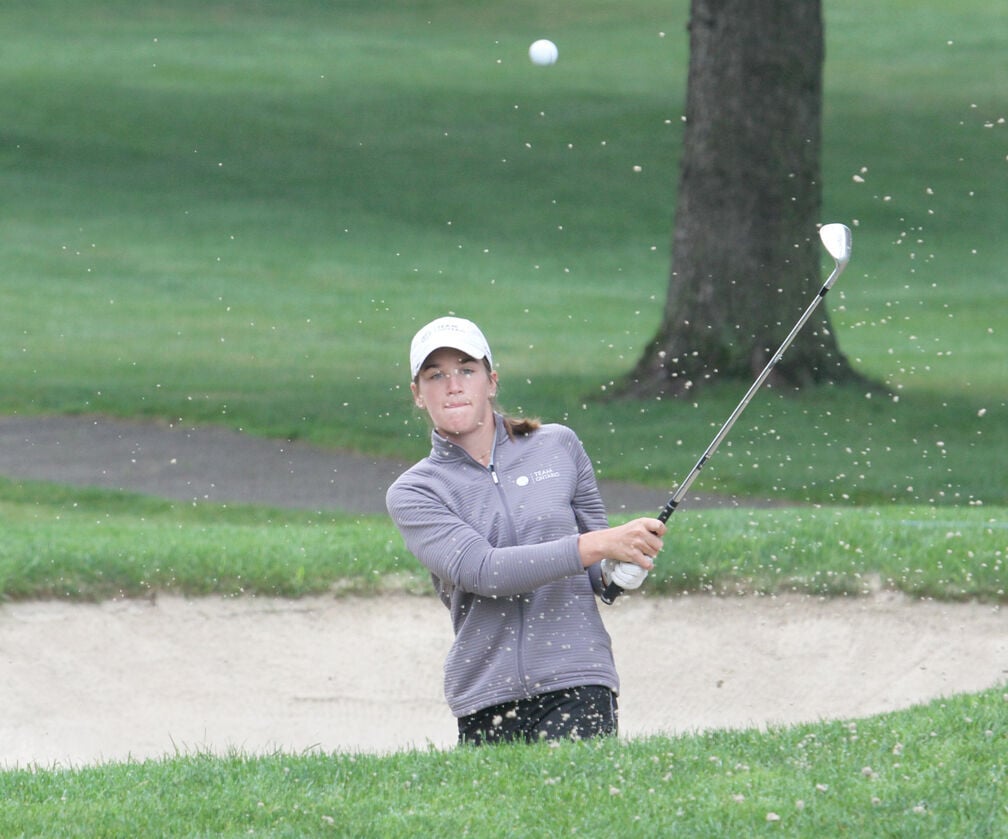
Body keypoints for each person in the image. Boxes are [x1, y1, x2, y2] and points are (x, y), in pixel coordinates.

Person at [386, 316, 666, 745]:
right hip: (485, 693)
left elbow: (598, 576)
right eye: (435, 375)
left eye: (466, 369)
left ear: (491, 381)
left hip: (578, 677)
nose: (453, 385)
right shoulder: (415, 491)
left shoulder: (559, 446)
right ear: (418, 395)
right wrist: (599, 544)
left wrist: (626, 561)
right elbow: (485, 572)